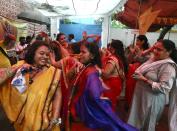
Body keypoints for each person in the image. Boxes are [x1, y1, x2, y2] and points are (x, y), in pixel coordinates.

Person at [57, 42, 137, 131]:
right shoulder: (83, 67)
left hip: (82, 115)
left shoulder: (91, 72)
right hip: (78, 112)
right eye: (80, 52)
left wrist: (104, 107)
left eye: (83, 52)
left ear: (92, 56)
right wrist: (73, 69)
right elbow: (68, 79)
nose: (80, 55)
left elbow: (95, 97)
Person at [0, 41, 62, 131]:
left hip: (43, 122)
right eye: (41, 53)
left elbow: (57, 96)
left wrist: (55, 120)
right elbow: (4, 80)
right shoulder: (21, 65)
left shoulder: (54, 73)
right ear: (33, 53)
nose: (45, 57)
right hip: (20, 122)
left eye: (47, 55)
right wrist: (19, 69)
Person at [128, 39, 177, 131]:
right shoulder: (153, 59)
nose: (155, 51)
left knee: (147, 123)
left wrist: (145, 80)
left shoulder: (168, 66)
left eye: (159, 50)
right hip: (141, 95)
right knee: (137, 120)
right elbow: (138, 58)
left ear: (169, 52)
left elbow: (165, 88)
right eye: (154, 48)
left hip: (153, 99)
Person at [99, 40, 128, 110]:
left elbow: (106, 74)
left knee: (107, 105)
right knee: (111, 103)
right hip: (116, 83)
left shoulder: (113, 59)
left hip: (110, 84)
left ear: (112, 48)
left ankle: (108, 119)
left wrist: (97, 69)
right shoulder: (120, 57)